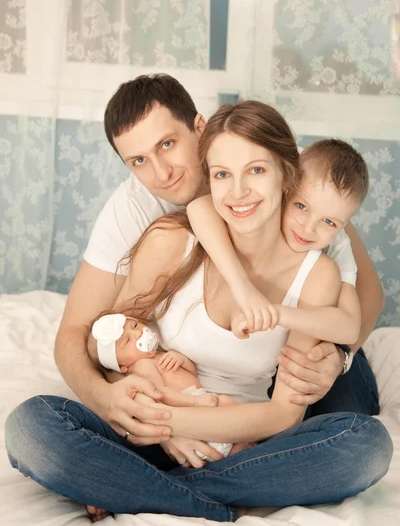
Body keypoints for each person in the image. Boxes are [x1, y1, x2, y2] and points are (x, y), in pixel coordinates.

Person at [6, 100, 392, 523]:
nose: (238, 192)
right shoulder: (172, 240)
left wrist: (180, 423)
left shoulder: (318, 272)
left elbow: (284, 413)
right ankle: (206, 500)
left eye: (256, 171)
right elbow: (110, 342)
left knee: (366, 445)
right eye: (222, 174)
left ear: (288, 174)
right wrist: (150, 417)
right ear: (209, 178)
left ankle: (142, 488)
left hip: (240, 442)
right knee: (32, 425)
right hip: (150, 431)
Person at [51, 74, 382, 438]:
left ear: (199, 126)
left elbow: (365, 295)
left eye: (168, 144)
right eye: (139, 160)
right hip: (189, 380)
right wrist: (109, 399)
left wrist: (340, 358)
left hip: (314, 337)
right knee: (43, 423)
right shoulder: (138, 209)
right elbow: (80, 329)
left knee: (348, 429)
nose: (162, 172)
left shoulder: (306, 183)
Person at [187, 138, 367, 345]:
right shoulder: (268, 193)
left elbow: (350, 328)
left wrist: (276, 313)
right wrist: (242, 286)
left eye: (329, 222)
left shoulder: (337, 245)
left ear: (343, 225)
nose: (308, 229)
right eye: (301, 206)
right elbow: (199, 208)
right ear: (285, 187)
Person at [87, 311, 235, 464]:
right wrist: (196, 402)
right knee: (226, 407)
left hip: (199, 401)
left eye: (135, 325)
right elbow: (161, 394)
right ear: (122, 367)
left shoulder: (158, 355)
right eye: (127, 341)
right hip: (189, 409)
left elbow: (191, 374)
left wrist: (181, 360)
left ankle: (243, 444)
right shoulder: (141, 366)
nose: (137, 333)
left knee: (229, 410)